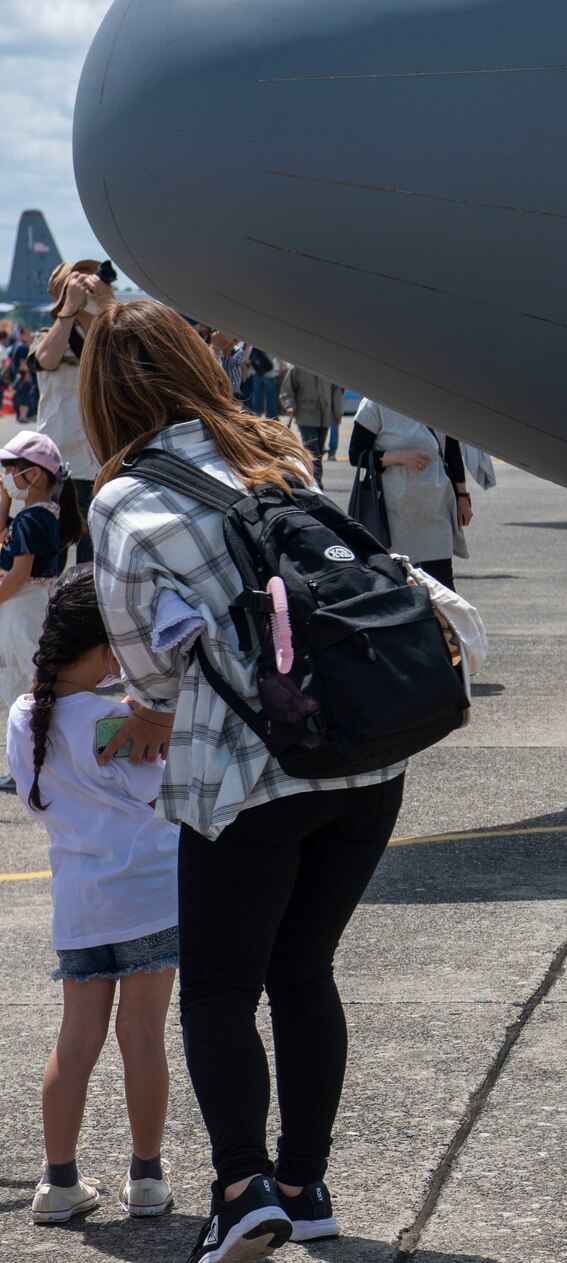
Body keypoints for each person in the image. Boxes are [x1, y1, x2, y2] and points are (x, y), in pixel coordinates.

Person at [82, 299, 408, 1260]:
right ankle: (305, 1185)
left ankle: (240, 1186)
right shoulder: (278, 451)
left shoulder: (123, 498)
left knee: (218, 990)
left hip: (248, 774)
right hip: (362, 755)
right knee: (305, 970)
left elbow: (147, 672)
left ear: (106, 393)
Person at [15, 568, 178, 1226]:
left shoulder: (25, 714)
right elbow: (154, 785)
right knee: (143, 1035)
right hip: (148, 892)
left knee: (76, 1037)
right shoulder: (122, 721)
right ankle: (145, 1175)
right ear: (95, 648)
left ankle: (59, 1180)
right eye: (115, 646)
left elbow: (34, 797)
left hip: (78, 898)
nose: (122, 659)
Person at [0, 431, 84, 794]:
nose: (5, 476)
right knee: (17, 685)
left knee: (26, 689)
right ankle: (28, 765)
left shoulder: (34, 520)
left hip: (23, 611)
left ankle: (36, 766)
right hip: (20, 611)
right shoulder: (33, 515)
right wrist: (4, 502)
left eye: (9, 469)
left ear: (33, 474)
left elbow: (19, 575)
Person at [32, 260, 116, 563]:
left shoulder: (110, 335)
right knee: (49, 555)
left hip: (101, 461)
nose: (89, 283)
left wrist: (108, 305)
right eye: (78, 279)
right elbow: (46, 358)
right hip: (59, 462)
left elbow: (129, 358)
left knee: (93, 562)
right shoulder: (49, 335)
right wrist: (68, 308)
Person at [348, 398, 473, 590]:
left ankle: (443, 622)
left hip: (435, 509)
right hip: (395, 516)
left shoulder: (436, 397)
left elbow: (452, 451)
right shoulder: (376, 402)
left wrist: (463, 497)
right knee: (400, 590)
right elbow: (356, 454)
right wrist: (398, 457)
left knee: (443, 588)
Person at [279, 364, 344, 484]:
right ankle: (316, 483)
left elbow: (336, 391)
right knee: (312, 451)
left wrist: (338, 413)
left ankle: (313, 481)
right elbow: (287, 389)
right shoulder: (298, 367)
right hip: (305, 416)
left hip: (324, 416)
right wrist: (290, 405)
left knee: (318, 452)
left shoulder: (328, 367)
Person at [243, 346, 280, 419]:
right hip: (270, 373)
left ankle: (257, 413)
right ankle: (271, 415)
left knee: (257, 395)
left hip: (256, 373)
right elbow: (278, 358)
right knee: (271, 395)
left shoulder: (254, 345)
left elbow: (248, 359)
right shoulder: (272, 345)